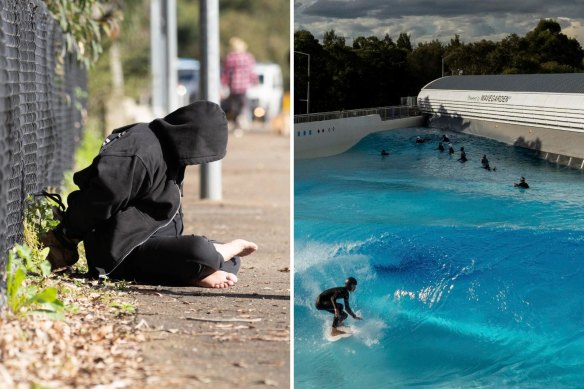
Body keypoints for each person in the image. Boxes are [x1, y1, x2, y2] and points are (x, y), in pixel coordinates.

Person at [40, 101, 258, 289]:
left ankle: (200, 268)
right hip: (121, 252)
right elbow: (96, 200)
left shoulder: (170, 149)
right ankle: (200, 266)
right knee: (201, 251)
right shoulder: (138, 153)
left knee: (231, 261)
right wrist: (67, 233)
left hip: (151, 241)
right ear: (190, 136)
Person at [221, 37, 258, 130]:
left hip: (233, 86)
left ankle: (237, 122)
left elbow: (226, 73)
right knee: (243, 104)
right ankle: (242, 119)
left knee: (234, 106)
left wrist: (223, 83)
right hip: (244, 86)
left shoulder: (230, 58)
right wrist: (255, 81)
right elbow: (251, 71)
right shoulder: (248, 57)